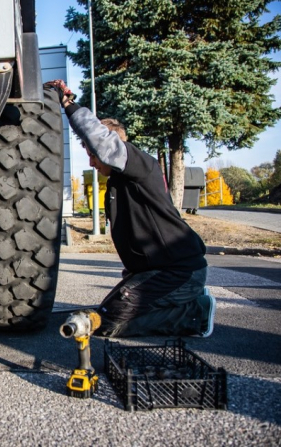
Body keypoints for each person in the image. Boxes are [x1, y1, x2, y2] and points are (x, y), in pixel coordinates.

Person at [49, 80, 215, 338]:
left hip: (179, 271)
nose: (92, 162)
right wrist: (134, 280)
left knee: (104, 323)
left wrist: (68, 104)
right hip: (156, 273)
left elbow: (103, 143)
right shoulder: (117, 186)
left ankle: (195, 313)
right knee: (104, 313)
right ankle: (176, 302)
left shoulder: (141, 165)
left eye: (93, 155)